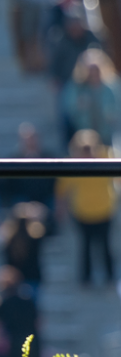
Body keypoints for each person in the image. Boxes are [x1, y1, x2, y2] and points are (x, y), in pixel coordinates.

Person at [55, 129, 117, 288]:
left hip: (105, 210)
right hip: (82, 212)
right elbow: (62, 190)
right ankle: (86, 279)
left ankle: (110, 278)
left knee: (105, 246)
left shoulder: (107, 156)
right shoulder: (72, 163)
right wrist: (61, 210)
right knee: (85, 247)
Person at [61, 48, 120, 145]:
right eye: (90, 70)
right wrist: (80, 106)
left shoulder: (112, 86)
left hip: (110, 136)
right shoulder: (76, 88)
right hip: (86, 139)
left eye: (95, 69)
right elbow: (70, 111)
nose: (93, 73)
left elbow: (117, 111)